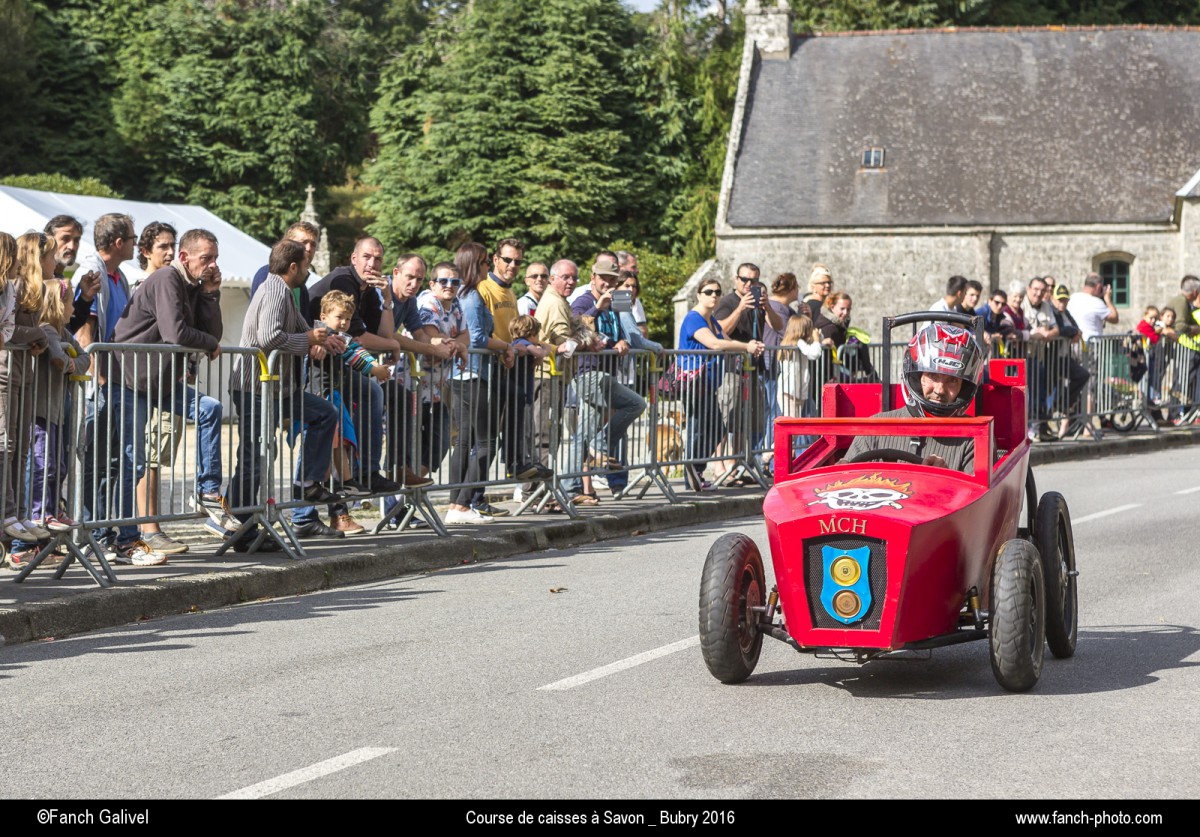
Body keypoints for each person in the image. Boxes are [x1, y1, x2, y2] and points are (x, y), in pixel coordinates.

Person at [111, 228, 230, 563]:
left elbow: (212, 334)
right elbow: (176, 333)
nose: (212, 265)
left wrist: (210, 293)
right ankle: (128, 540)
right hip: (131, 379)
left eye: (215, 258)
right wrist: (208, 344)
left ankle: (208, 493)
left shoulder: (193, 285)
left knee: (210, 408)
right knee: (134, 459)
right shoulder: (167, 278)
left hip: (160, 382)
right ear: (184, 257)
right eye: (206, 258)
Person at [227, 239, 342, 551]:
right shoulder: (276, 289)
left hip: (279, 388)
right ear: (293, 267)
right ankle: (241, 524)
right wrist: (307, 339)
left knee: (324, 414)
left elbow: (304, 327)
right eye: (305, 265)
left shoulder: (285, 291)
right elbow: (268, 338)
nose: (308, 271)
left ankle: (307, 482)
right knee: (254, 455)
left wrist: (325, 337)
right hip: (255, 386)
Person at [843, 321, 986, 474]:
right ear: (916, 377)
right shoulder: (873, 430)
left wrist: (948, 477)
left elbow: (979, 495)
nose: (940, 390)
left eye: (952, 380)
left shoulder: (975, 440)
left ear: (964, 388)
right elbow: (840, 483)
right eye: (932, 376)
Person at [444, 242, 516, 525]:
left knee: (464, 441)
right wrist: (505, 347)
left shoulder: (463, 294)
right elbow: (476, 338)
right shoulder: (472, 296)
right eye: (486, 262)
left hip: (462, 375)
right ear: (476, 265)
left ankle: (455, 504)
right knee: (485, 443)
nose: (489, 266)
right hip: (474, 374)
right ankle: (461, 505)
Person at [130, 222, 189, 554]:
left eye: (172, 246)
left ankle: (153, 526)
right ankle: (147, 528)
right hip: (142, 383)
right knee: (146, 456)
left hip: (167, 382)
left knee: (159, 455)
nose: (169, 252)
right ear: (145, 251)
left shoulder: (175, 283)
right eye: (162, 246)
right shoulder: (140, 284)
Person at [677, 277, 764, 491]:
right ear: (698, 295)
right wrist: (746, 347)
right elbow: (715, 343)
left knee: (716, 430)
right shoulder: (694, 318)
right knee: (698, 429)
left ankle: (696, 470)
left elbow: (726, 339)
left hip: (709, 383)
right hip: (695, 383)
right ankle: (693, 475)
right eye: (708, 292)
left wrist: (750, 345)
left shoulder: (712, 320)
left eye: (717, 292)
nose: (714, 295)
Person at [1066, 273, 1119, 342]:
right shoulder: (1097, 302)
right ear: (1098, 287)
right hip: (1091, 344)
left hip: (1075, 343)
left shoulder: (1072, 297)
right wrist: (1108, 299)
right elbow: (1115, 319)